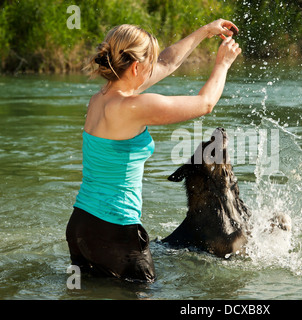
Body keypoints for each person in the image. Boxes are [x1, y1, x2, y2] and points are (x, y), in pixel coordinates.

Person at [66, 19, 241, 283]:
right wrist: (222, 64)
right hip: (116, 230)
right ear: (136, 67)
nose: (155, 67)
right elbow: (205, 103)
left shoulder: (100, 98)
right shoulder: (133, 107)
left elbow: (168, 63)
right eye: (150, 62)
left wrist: (205, 31)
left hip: (80, 227)